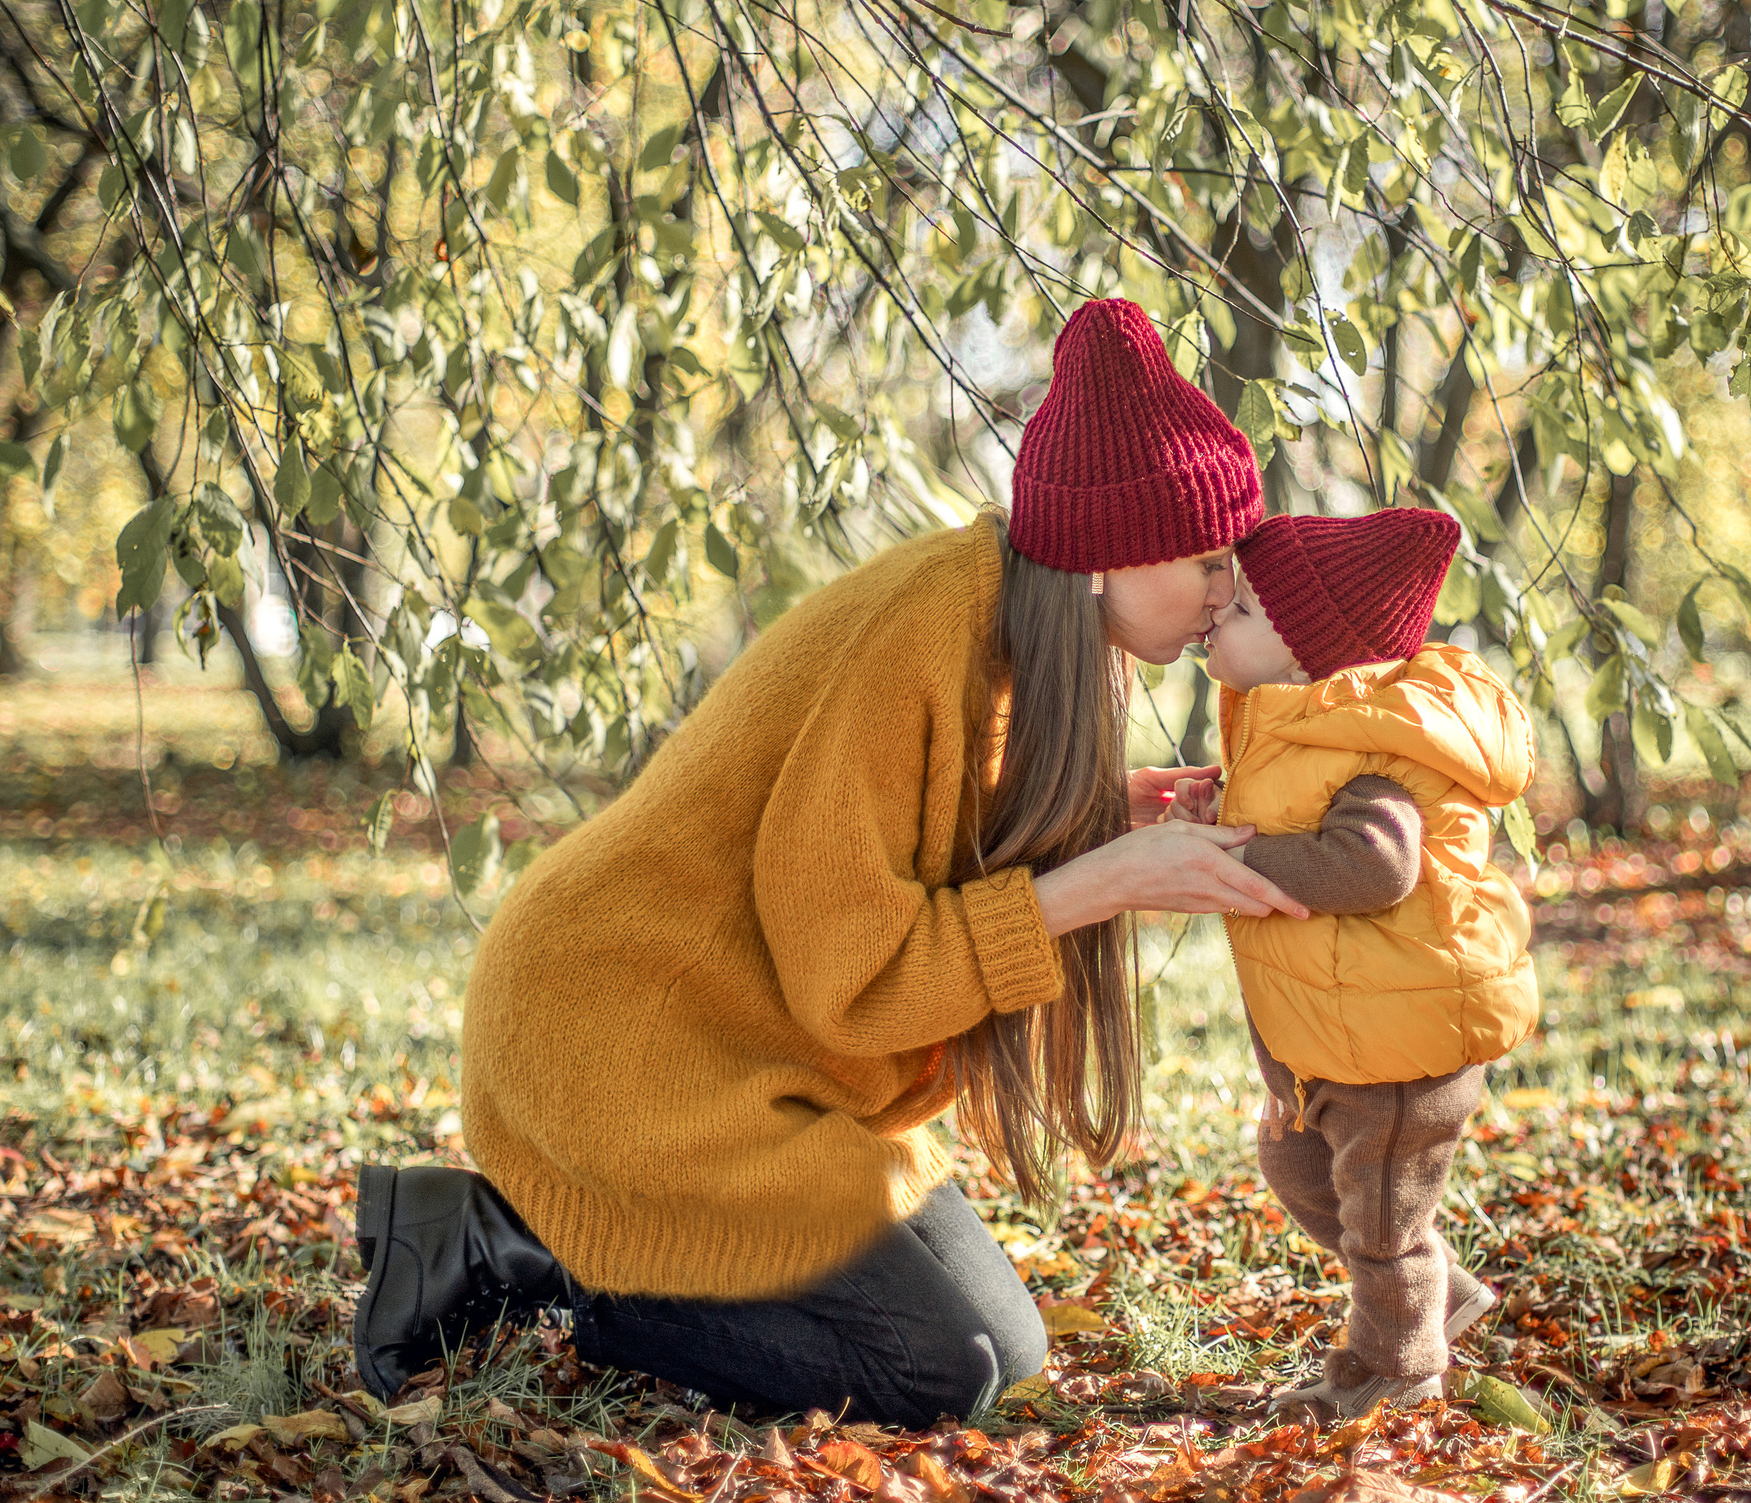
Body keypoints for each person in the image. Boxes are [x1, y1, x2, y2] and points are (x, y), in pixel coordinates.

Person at [350, 297, 1312, 1425]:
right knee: (936, 1375)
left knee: (1007, 1347)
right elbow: (850, 974)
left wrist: (1106, 816)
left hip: (761, 1047)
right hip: (628, 1038)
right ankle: (508, 1250)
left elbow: (926, 829)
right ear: (1104, 556)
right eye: (1206, 557)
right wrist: (1101, 881)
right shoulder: (924, 628)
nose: (1226, 590)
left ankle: (563, 1260)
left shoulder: (1017, 636)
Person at [1177, 507, 1538, 1422]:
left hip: (1399, 1047)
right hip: (1340, 1035)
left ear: (1308, 657)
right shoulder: (1291, 729)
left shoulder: (1371, 747)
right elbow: (1293, 817)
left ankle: (1393, 1370)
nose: (1218, 612)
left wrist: (1231, 857)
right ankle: (1439, 1291)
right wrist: (1216, 810)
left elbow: (1377, 864)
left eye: (1245, 609)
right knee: (1296, 1163)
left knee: (1381, 1224)